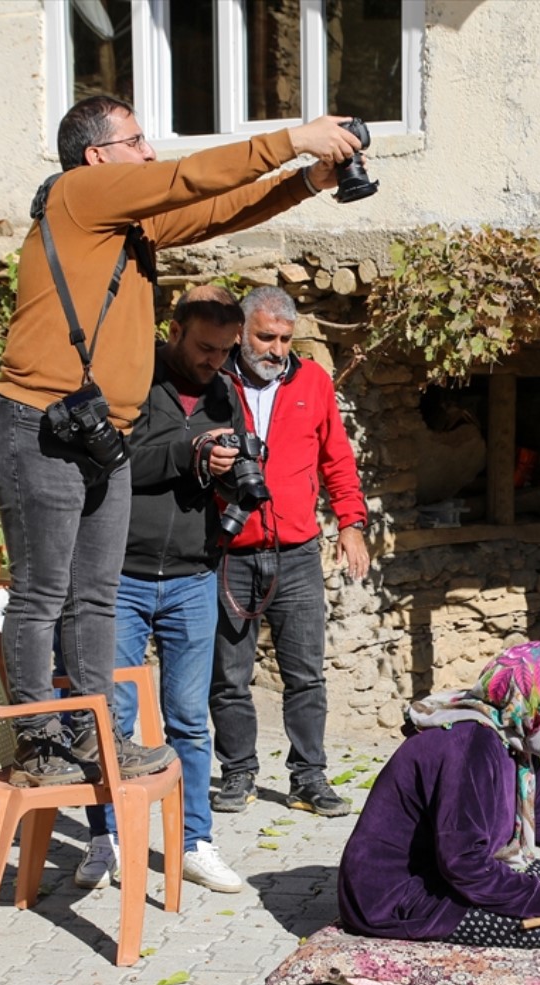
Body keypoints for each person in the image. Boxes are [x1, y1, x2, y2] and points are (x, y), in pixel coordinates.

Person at [0, 94, 366, 788]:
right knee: (44, 593)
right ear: (99, 155)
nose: (150, 151)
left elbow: (218, 208)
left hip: (101, 435)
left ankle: (99, 737)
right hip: (38, 423)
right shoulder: (79, 193)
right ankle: (36, 742)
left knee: (93, 595)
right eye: (136, 140)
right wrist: (295, 138)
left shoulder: (124, 229)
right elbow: (190, 180)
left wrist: (306, 181)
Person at [76, 286, 249, 893]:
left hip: (193, 578)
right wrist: (188, 450)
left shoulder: (225, 390)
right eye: (205, 348)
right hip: (118, 575)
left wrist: (231, 470)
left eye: (226, 350)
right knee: (111, 716)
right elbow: (110, 461)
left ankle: (194, 841)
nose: (215, 361)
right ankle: (108, 839)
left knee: (188, 719)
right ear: (174, 330)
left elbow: (217, 468)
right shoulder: (131, 375)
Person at [337, 642, 540, 946]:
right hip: (395, 894)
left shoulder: (513, 735)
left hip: (443, 869)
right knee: (538, 926)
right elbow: (463, 861)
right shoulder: (473, 746)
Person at [209, 287, 369, 818]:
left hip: (296, 552)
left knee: (306, 674)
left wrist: (351, 522)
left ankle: (308, 778)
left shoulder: (313, 381)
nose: (276, 349)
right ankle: (238, 774)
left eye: (284, 338)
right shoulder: (213, 381)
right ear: (240, 332)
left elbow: (337, 459)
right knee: (229, 675)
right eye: (265, 337)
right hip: (229, 550)